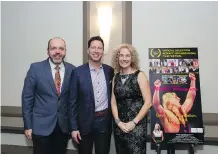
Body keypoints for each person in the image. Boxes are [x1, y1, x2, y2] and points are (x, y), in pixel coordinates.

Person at [22, 37, 75, 154]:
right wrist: (28, 125)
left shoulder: (72, 70)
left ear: (65, 51)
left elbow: (73, 101)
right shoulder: (35, 68)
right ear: (48, 51)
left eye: (61, 49)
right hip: (40, 126)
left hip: (62, 127)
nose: (57, 51)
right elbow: (27, 99)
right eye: (53, 48)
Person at [68, 36, 114, 154]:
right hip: (84, 123)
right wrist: (74, 128)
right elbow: (72, 102)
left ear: (103, 51)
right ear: (88, 50)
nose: (96, 50)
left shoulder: (110, 71)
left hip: (104, 121)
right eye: (93, 47)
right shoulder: (77, 72)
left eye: (99, 48)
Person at [111, 44, 152, 154]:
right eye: (121, 55)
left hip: (136, 127)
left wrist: (133, 122)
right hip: (120, 127)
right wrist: (118, 122)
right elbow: (113, 102)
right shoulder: (116, 77)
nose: (124, 59)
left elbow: (148, 102)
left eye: (127, 56)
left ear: (132, 58)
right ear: (117, 57)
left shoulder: (140, 75)